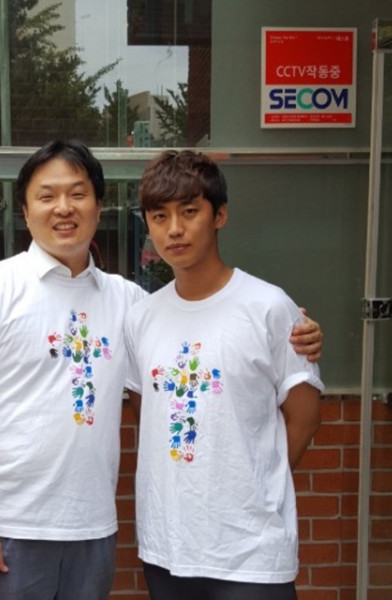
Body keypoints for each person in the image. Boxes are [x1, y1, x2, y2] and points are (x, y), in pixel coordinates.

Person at [0, 140, 323, 600]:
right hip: (10, 531)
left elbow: (210, 337)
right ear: (25, 210)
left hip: (94, 531)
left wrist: (297, 331)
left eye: (78, 193)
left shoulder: (129, 302)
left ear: (99, 206)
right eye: (47, 196)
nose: (63, 208)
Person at [124, 150, 324, 600]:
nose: (174, 229)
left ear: (220, 216)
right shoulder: (141, 318)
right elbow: (148, 414)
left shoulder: (269, 307)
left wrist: (254, 482)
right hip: (167, 548)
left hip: (251, 553)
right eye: (159, 216)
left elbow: (305, 417)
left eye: (189, 211)